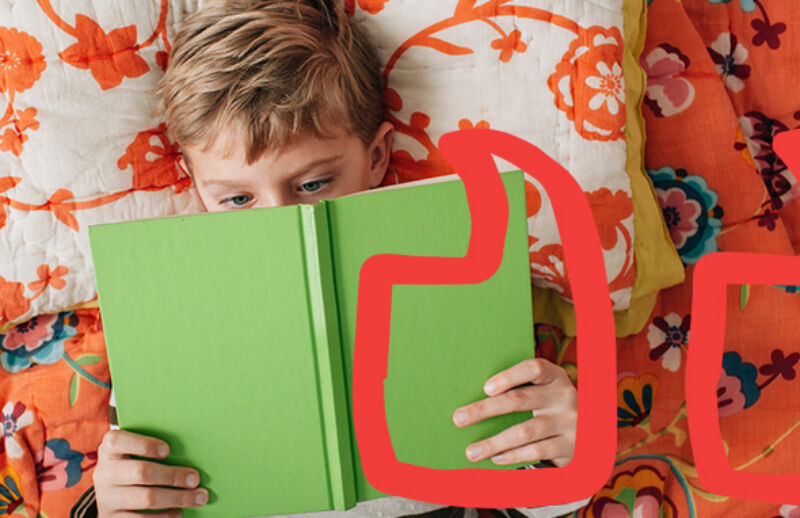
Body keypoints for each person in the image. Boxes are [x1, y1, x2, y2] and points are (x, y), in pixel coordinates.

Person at [92, 1, 580, 516]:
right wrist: (115, 504)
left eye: (312, 184)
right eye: (238, 199)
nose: (279, 221)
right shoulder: (169, 319)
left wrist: (564, 456)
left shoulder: (457, 274)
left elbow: (525, 495)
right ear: (196, 188)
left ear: (376, 157)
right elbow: (143, 483)